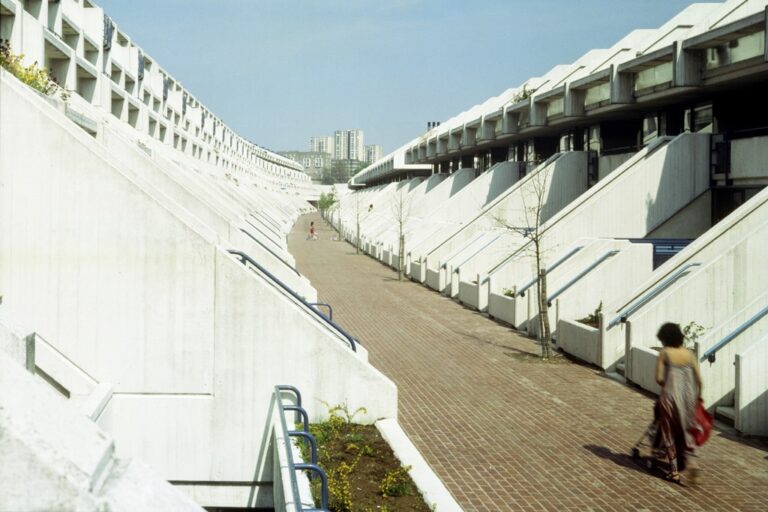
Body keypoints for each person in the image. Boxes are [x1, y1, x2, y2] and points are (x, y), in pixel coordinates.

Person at [654, 322, 703, 484]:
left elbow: (659, 378)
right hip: (688, 399)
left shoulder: (665, 353)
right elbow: (699, 380)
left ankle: (674, 472)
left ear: (664, 339)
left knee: (669, 433)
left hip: (670, 397)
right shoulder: (690, 354)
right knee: (687, 431)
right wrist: (699, 397)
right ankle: (692, 462)